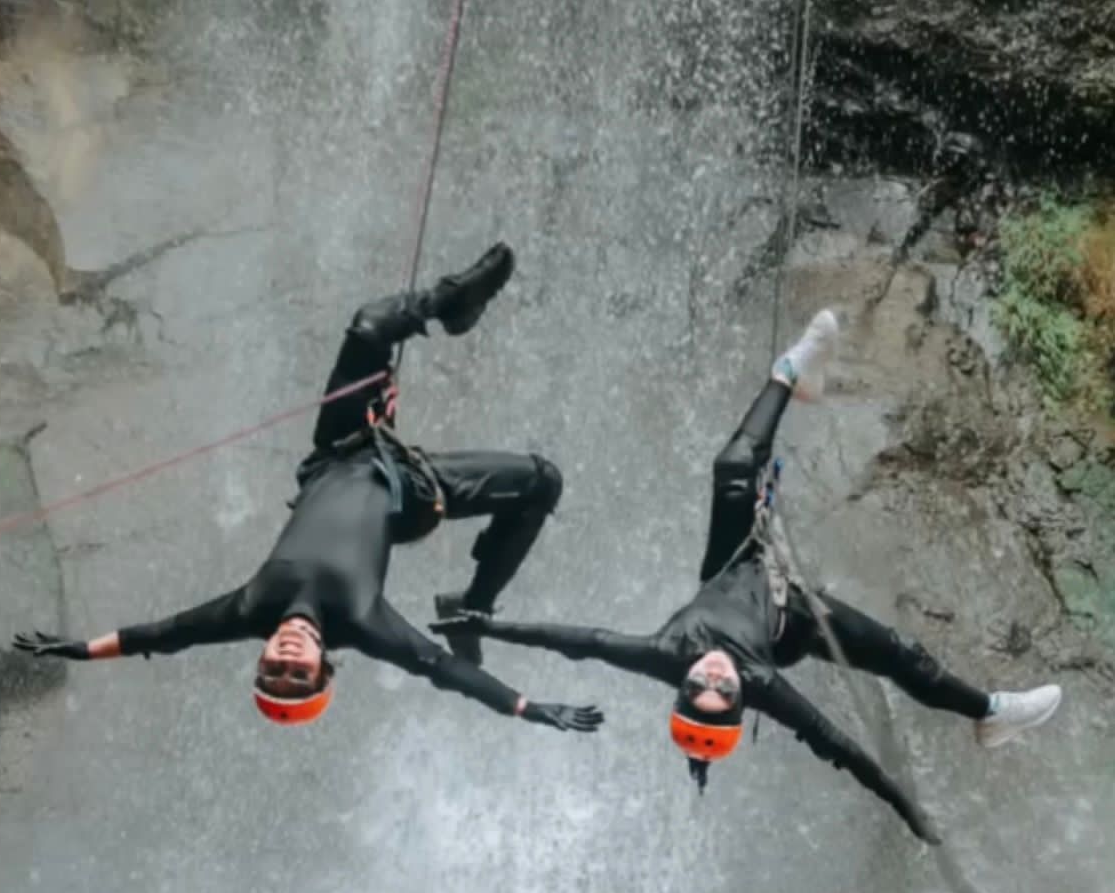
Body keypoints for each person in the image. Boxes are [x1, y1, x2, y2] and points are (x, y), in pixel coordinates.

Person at [432, 309, 1062, 843]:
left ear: (681, 687)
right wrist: (910, 813)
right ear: (738, 702)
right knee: (899, 655)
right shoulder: (763, 681)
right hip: (789, 618)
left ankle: (793, 370)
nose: (711, 676)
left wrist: (488, 623)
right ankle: (992, 712)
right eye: (720, 693)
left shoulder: (665, 654)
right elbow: (842, 750)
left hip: (732, 565)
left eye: (697, 687)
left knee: (733, 463)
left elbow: (581, 642)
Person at [13, 243, 603, 737]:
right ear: (325, 669)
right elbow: (443, 670)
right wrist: (526, 708)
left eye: (273, 672)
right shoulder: (362, 622)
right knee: (541, 481)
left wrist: (82, 651)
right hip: (413, 491)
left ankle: (451, 304)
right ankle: (474, 604)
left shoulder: (253, 608)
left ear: (260, 659)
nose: (287, 662)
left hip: (340, 449)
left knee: (372, 324)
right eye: (300, 676)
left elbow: (166, 635)